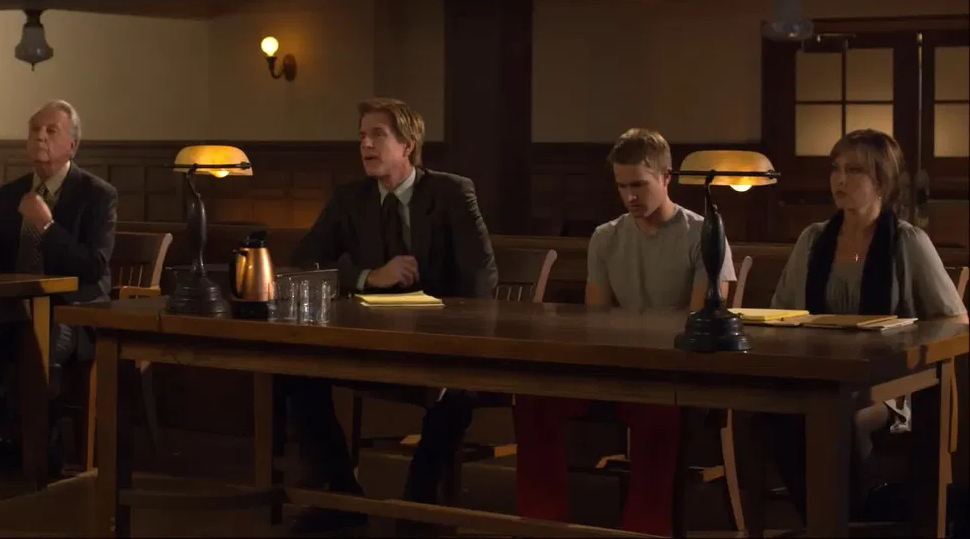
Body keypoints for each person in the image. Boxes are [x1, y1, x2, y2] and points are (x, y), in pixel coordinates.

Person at [286, 97, 498, 534]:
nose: (365, 144)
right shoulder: (349, 199)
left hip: (441, 341)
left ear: (408, 144)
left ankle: (419, 503)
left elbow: (481, 276)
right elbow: (304, 261)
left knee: (458, 392)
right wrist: (368, 276)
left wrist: (452, 335)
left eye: (377, 135)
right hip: (370, 342)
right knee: (295, 371)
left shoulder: (452, 193)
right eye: (362, 136)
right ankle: (342, 494)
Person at [513, 128, 735, 536]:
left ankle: (643, 530)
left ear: (665, 178)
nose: (630, 196)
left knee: (658, 410)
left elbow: (700, 323)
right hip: (614, 365)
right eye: (622, 186)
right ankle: (542, 524)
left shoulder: (703, 234)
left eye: (639, 185)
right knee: (533, 396)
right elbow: (597, 320)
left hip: (672, 370)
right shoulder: (606, 237)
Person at [760, 129, 966, 526]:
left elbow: (955, 321)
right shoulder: (813, 239)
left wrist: (901, 335)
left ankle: (846, 519)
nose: (840, 179)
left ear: (882, 182)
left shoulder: (907, 241)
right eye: (835, 168)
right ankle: (825, 522)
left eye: (854, 170)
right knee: (781, 415)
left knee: (839, 416)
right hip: (818, 375)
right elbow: (780, 312)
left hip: (889, 387)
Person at [0, 100, 117, 474]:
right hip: (11, 308)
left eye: (51, 131)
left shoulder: (97, 195)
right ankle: (5, 437)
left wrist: (47, 227)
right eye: (34, 129)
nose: (40, 137)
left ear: (73, 144)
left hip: (70, 311)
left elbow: (92, 267)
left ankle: (41, 452)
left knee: (36, 350)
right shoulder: (10, 193)